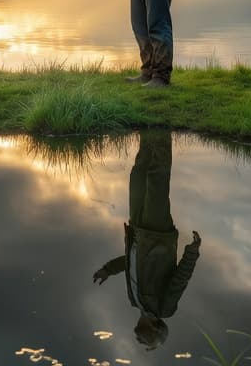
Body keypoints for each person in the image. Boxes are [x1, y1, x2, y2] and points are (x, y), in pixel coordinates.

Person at [92, 131, 202, 350]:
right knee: (157, 178)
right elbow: (180, 279)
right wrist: (192, 251)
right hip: (158, 233)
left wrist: (107, 270)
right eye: (146, 342)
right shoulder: (165, 309)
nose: (140, 341)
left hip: (138, 231)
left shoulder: (135, 301)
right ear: (156, 330)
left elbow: (130, 262)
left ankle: (148, 132)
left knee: (138, 175)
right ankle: (161, 131)